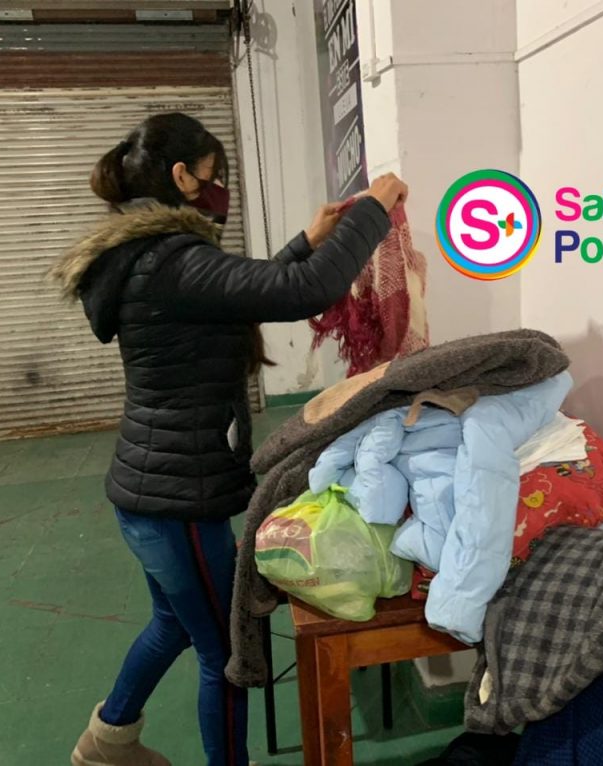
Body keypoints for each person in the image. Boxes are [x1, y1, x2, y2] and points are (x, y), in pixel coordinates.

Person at [48, 112, 407, 766]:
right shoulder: (173, 259)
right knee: (227, 655)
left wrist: (307, 239)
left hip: (148, 491)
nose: (220, 189)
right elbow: (301, 292)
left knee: (172, 625)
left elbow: (241, 293)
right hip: (177, 503)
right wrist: (373, 212)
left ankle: (107, 740)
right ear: (182, 177)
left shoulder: (148, 256)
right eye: (213, 175)